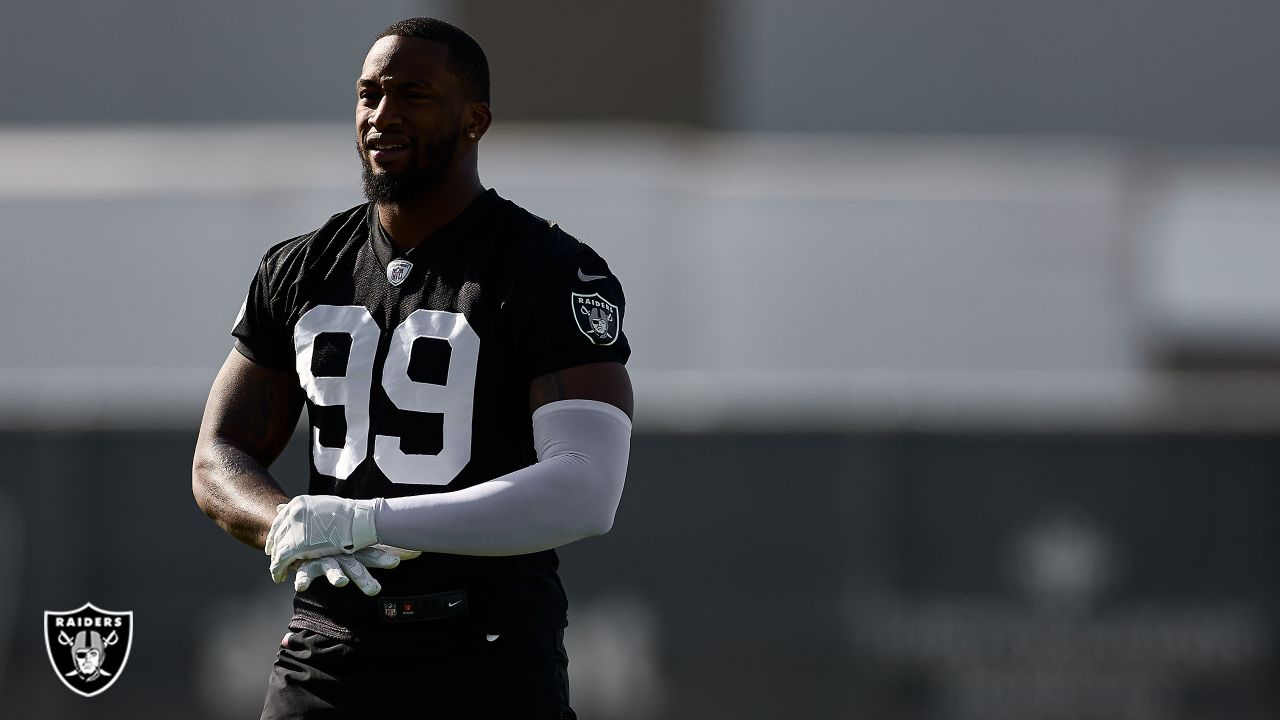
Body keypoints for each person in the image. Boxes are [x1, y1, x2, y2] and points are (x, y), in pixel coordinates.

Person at [192, 17, 633, 719]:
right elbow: (219, 454)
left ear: (474, 120)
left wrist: (370, 521)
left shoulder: (546, 268)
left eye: (413, 95)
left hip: (486, 650)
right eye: (368, 94)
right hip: (328, 650)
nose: (381, 115)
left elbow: (586, 489)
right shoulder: (303, 266)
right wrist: (289, 522)